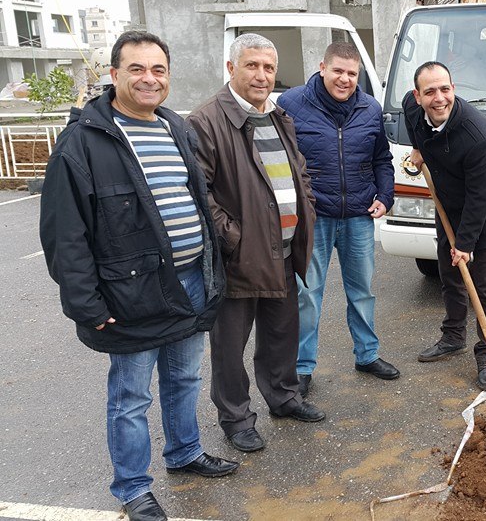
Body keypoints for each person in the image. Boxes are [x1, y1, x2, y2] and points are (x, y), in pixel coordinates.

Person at [39, 31, 238, 521]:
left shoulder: (176, 127)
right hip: (129, 293)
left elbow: (194, 199)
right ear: (114, 75)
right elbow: (65, 234)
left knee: (184, 378)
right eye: (137, 69)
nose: (149, 79)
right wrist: (87, 304)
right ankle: (132, 488)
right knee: (131, 397)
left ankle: (185, 453)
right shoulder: (82, 143)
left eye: (158, 70)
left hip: (191, 280)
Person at [187, 33, 325, 454]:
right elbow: (198, 193)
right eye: (252, 65)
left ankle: (283, 397)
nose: (262, 75)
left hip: (281, 252)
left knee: (282, 334)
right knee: (230, 346)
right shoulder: (206, 121)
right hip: (238, 259)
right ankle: (236, 418)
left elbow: (297, 171)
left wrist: (306, 209)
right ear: (231, 68)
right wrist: (235, 237)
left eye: (268, 67)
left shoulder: (279, 116)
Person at [277, 42, 400, 397]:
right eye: (338, 71)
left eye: (352, 73)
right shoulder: (292, 104)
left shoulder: (370, 108)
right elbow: (280, 161)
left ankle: (367, 355)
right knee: (307, 294)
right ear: (322, 67)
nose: (345, 79)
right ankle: (302, 367)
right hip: (313, 217)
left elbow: (382, 159)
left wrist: (386, 196)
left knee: (361, 291)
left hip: (358, 216)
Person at [403, 61, 486, 391]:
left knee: (485, 285)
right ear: (417, 95)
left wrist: (464, 245)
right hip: (448, 202)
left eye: (445, 89)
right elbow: (413, 125)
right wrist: (420, 149)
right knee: (448, 275)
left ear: (454, 89)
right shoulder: (412, 108)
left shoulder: (479, 137)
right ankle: (453, 337)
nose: (439, 98)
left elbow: (480, 199)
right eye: (430, 91)